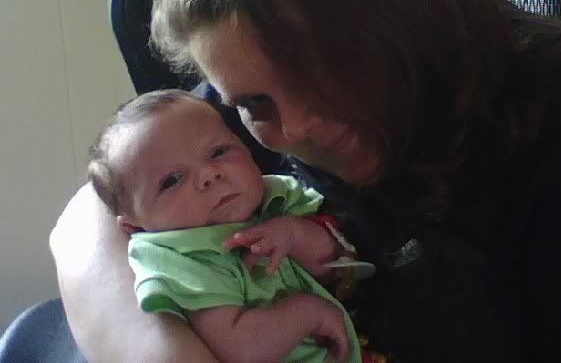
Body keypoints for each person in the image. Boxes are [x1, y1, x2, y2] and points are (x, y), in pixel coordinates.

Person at [50, 0, 561, 362]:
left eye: (319, 72)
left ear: (401, 18)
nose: (300, 126)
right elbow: (86, 222)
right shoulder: (240, 111)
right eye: (255, 104)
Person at [87, 88, 363, 363]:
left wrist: (293, 234)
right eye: (171, 180)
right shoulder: (183, 260)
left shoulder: (274, 197)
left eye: (218, 152)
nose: (209, 174)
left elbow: (340, 265)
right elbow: (242, 349)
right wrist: (308, 314)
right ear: (133, 226)